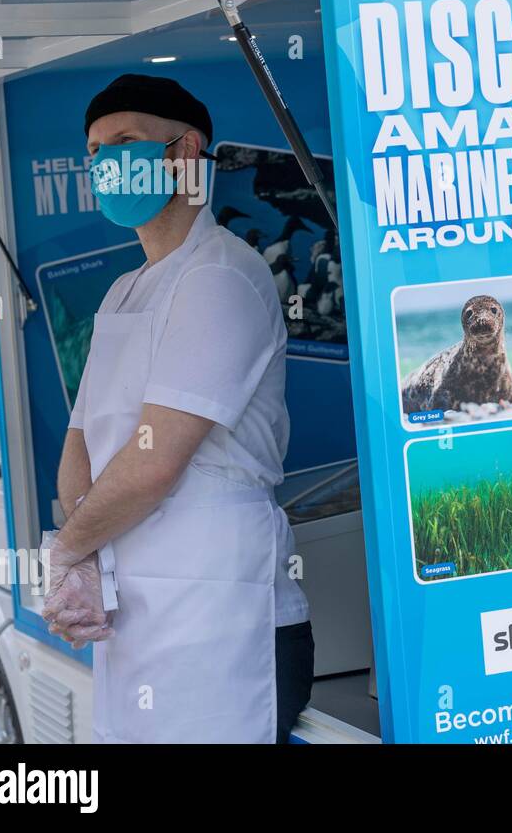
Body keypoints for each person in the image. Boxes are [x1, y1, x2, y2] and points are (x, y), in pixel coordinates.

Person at [42, 74, 313, 743]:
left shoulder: (222, 276)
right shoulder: (121, 293)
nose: (106, 164)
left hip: (225, 622)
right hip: (138, 620)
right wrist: (79, 558)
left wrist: (70, 549)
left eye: (124, 142)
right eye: (95, 151)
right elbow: (84, 441)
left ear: (185, 152)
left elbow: (154, 460)